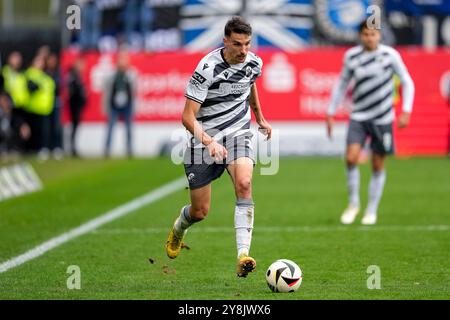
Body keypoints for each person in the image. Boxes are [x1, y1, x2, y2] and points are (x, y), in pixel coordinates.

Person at [165, 16, 272, 277]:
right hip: (205, 138)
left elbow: (250, 84)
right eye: (237, 44)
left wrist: (259, 117)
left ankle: (242, 255)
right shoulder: (207, 68)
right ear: (225, 41)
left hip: (238, 133)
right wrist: (210, 142)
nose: (243, 50)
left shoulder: (253, 62)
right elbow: (187, 117)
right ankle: (179, 227)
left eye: (247, 44)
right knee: (200, 211)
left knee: (245, 183)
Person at [326, 20, 415, 225]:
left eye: (373, 34)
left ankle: (371, 210)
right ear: (360, 36)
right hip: (359, 116)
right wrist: (330, 112)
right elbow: (341, 84)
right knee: (350, 158)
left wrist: (406, 110)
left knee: (377, 164)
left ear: (380, 36)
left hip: (383, 118)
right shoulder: (352, 56)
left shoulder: (390, 55)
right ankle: (353, 203)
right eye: (366, 34)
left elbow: (407, 81)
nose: (369, 38)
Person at [104, 52, 135, 158]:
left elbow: (134, 91)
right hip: (114, 105)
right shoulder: (112, 75)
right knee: (110, 127)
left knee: (129, 128)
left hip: (127, 105)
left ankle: (129, 149)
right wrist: (106, 106)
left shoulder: (130, 75)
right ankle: (107, 149)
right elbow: (107, 91)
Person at [25, 55, 56, 156]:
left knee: (45, 131)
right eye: (38, 62)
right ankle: (35, 149)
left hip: (45, 107)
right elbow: (31, 87)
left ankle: (45, 148)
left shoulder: (44, 75)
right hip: (34, 107)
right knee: (35, 132)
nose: (41, 64)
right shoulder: (31, 73)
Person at [67, 57, 87, 157]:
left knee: (76, 126)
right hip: (74, 105)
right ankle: (72, 148)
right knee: (74, 126)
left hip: (77, 105)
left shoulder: (77, 76)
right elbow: (71, 91)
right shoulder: (73, 76)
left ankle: (73, 148)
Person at [46, 53, 64, 160]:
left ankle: (57, 147)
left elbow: (60, 87)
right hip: (45, 103)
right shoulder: (45, 73)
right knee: (47, 127)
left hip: (56, 102)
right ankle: (46, 148)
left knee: (57, 126)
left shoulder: (58, 73)